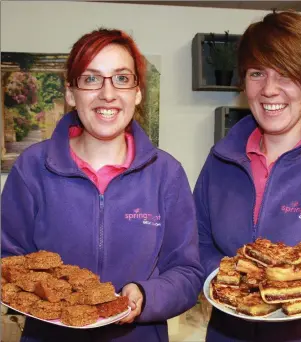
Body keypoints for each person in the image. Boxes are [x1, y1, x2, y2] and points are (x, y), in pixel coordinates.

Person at [1, 28, 204, 342]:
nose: (108, 94)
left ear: (137, 93)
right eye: (91, 78)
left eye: (121, 78)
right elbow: (8, 260)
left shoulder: (167, 174)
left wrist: (145, 296)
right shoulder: (32, 168)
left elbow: (188, 273)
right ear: (71, 92)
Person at [194, 10, 301, 342]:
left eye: (286, 74)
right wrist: (241, 283)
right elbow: (196, 245)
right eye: (257, 73)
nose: (269, 89)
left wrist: (291, 289)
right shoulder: (220, 160)